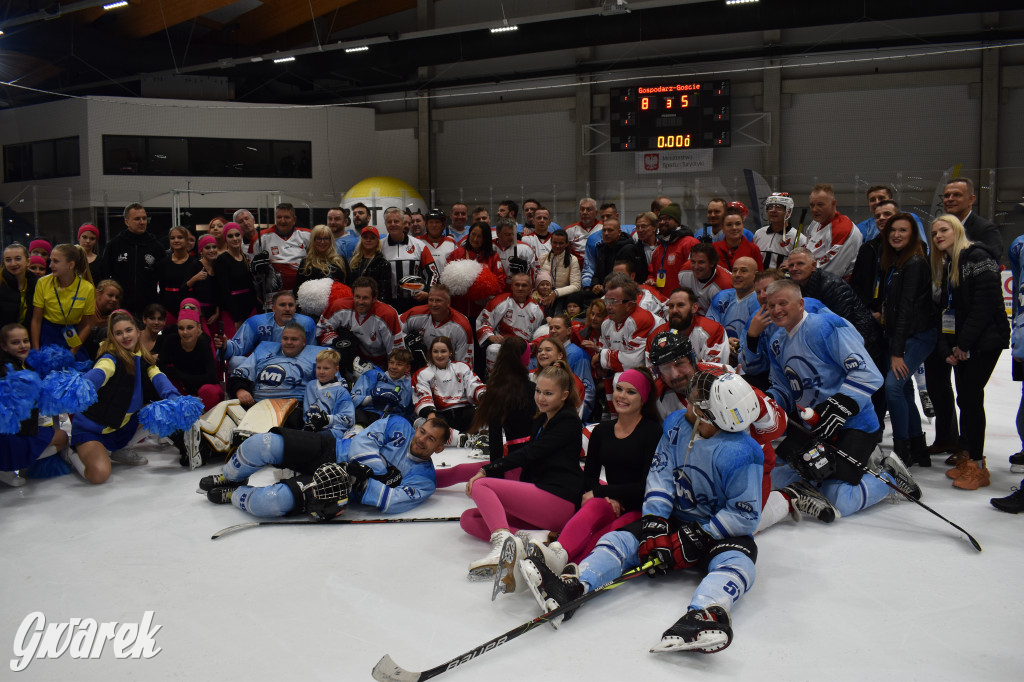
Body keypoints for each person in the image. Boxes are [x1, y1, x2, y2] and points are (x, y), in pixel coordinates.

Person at [521, 368, 763, 652]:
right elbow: (660, 474)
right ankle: (574, 585)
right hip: (675, 518)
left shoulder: (743, 453)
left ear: (711, 414)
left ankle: (706, 614)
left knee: (740, 561)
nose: (687, 401)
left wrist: (702, 534)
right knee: (618, 540)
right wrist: (656, 520)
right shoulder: (676, 425)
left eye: (695, 401)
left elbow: (745, 514)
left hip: (713, 531)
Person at [764, 280, 921, 518]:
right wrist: (765, 402)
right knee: (775, 475)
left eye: (783, 303)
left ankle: (889, 475)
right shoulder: (776, 342)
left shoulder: (825, 326)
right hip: (816, 426)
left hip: (855, 424)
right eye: (771, 305)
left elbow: (868, 372)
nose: (777, 310)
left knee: (840, 499)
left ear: (800, 304)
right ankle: (821, 480)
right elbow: (784, 388)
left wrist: (839, 405)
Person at [462, 361, 584, 579]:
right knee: (468, 518)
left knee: (482, 484)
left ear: (564, 396)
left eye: (548, 393)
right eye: (538, 391)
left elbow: (532, 453)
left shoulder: (568, 421)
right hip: (543, 495)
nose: (540, 398)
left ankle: (503, 547)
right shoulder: (542, 420)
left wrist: (488, 469)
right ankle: (539, 538)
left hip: (559, 499)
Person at [200, 415, 449, 516]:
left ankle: (235, 493)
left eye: (431, 439)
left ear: (439, 448)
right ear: (417, 428)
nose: (422, 440)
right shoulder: (398, 424)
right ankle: (229, 477)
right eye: (422, 432)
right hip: (331, 447)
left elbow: (393, 501)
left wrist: (361, 481)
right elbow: (365, 439)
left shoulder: (425, 480)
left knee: (269, 502)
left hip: (340, 485)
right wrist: (376, 471)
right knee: (260, 444)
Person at [932, 215, 1009, 490]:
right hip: (965, 344)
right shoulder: (950, 263)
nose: (938, 236)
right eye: (934, 233)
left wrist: (962, 345)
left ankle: (977, 464)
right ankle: (972, 458)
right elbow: (945, 311)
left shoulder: (977, 257)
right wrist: (949, 348)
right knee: (968, 399)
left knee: (970, 396)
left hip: (985, 341)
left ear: (957, 230)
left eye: (944, 230)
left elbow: (984, 306)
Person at [557, 369, 661, 562]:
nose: (621, 396)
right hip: (611, 500)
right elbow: (589, 477)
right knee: (592, 505)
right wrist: (604, 496)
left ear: (644, 398)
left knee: (602, 537)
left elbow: (646, 487)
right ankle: (556, 554)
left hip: (639, 509)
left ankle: (570, 566)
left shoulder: (653, 432)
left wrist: (603, 493)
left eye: (631, 392)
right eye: (619, 389)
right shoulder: (602, 431)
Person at [67, 310, 184, 483]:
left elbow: (160, 379)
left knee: (163, 411)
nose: (125, 336)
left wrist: (176, 399)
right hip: (93, 429)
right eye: (119, 333)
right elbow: (100, 372)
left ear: (138, 331)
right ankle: (71, 454)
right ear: (113, 337)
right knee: (99, 475)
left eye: (128, 330)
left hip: (121, 425)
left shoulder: (143, 358)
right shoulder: (110, 358)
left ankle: (120, 448)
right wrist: (83, 386)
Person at [434, 337, 536, 490]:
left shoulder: (497, 389)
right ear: (525, 358)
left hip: (514, 462)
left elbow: (495, 440)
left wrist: (496, 474)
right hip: (531, 462)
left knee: (458, 472)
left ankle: (415, 478)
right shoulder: (534, 389)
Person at [878, 213, 936, 468]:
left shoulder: (915, 263)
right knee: (903, 389)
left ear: (913, 234)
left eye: (903, 230)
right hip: (901, 334)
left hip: (917, 336)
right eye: (893, 230)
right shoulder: (897, 261)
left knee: (892, 387)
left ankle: (901, 450)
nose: (897, 235)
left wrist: (897, 352)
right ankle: (918, 449)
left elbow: (907, 309)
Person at [0, 323, 70, 487]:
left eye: (25, 340)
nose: (23, 345)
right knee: (62, 438)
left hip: (24, 429)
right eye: (15, 342)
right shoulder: (7, 372)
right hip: (14, 435)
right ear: (4, 346)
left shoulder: (25, 365)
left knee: (61, 436)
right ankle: (8, 466)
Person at [226, 322, 321, 413]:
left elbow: (328, 387)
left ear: (304, 342)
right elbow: (240, 374)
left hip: (293, 409)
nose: (289, 342)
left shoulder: (317, 357)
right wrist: (240, 390)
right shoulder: (264, 351)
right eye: (285, 338)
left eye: (294, 339)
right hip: (256, 405)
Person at [216, 290, 316, 369]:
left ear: (295, 308)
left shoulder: (307, 323)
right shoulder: (256, 322)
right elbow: (238, 346)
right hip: (263, 365)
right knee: (235, 362)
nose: (287, 309)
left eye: (291, 305)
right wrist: (225, 345)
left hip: (295, 365)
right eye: (282, 305)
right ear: (273, 308)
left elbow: (312, 352)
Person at [317, 276, 401, 369]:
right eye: (357, 297)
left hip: (378, 364)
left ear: (374, 298)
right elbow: (321, 330)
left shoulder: (387, 315)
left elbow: (396, 352)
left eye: (365, 298)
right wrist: (338, 343)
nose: (360, 302)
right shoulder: (338, 306)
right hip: (347, 361)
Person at [30, 244, 95, 356]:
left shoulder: (87, 288)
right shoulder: (42, 283)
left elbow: (87, 325)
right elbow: (36, 320)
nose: (50, 265)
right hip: (47, 334)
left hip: (72, 335)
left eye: (56, 261)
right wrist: (36, 350)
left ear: (70, 265)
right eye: (50, 260)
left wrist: (73, 351)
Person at [412, 336, 485, 434]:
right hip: (440, 414)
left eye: (443, 351)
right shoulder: (422, 373)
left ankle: (480, 438)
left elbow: (474, 385)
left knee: (484, 412)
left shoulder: (462, 367)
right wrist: (431, 415)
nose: (439, 355)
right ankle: (458, 438)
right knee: (426, 423)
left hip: (464, 411)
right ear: (430, 353)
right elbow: (423, 396)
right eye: (435, 351)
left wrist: (482, 396)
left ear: (450, 352)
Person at [158, 305, 223, 412]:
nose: (185, 332)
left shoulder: (203, 343)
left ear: (198, 328)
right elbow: (161, 367)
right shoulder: (171, 340)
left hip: (203, 388)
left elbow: (212, 377)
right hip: (183, 386)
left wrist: (182, 376)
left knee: (208, 391)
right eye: (181, 328)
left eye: (190, 328)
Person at [101, 203, 164, 315]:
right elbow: (104, 277)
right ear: (127, 222)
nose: (142, 222)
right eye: (137, 219)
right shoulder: (114, 246)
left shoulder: (156, 247)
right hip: (120, 307)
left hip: (148, 309)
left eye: (144, 218)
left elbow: (163, 278)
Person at [477, 272, 545, 373]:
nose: (520, 288)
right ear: (512, 286)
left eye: (524, 285)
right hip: (503, 344)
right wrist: (491, 336)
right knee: (492, 350)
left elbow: (541, 333)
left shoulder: (538, 309)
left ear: (530, 288)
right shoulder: (499, 302)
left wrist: (532, 345)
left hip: (525, 347)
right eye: (517, 285)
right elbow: (483, 322)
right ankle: (492, 380)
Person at [648, 287, 729, 365]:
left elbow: (716, 372)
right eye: (671, 306)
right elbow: (653, 373)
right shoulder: (656, 337)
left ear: (694, 308)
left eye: (680, 305)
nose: (674, 310)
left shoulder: (712, 330)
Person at [445, 221, 507, 319]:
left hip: (483, 312)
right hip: (458, 310)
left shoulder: (493, 257)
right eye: (473, 234)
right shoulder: (456, 254)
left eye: (480, 236)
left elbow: (501, 283)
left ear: (485, 238)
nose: (475, 239)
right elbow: (445, 280)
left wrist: (482, 290)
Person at [381, 207, 437, 313]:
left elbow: (433, 273)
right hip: (387, 303)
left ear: (403, 223)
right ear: (385, 224)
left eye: (396, 221)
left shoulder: (419, 245)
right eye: (389, 222)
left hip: (415, 302)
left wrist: (428, 291)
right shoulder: (379, 246)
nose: (393, 224)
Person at [707, 256, 761, 366]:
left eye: (743, 271)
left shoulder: (761, 301)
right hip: (721, 356)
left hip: (750, 364)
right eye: (735, 270)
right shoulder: (722, 297)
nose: (737, 275)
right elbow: (709, 329)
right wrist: (725, 341)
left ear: (755, 275)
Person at [803, 183, 862, 279]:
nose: (814, 209)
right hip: (812, 281)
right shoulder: (815, 224)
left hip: (834, 288)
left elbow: (831, 272)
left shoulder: (843, 230)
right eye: (812, 205)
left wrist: (800, 269)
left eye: (820, 205)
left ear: (833, 204)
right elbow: (807, 251)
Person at [546, 313, 595, 420]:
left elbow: (587, 391)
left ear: (569, 331)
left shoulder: (576, 354)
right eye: (551, 328)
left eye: (557, 328)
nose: (553, 331)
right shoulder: (549, 352)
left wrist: (575, 418)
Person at [215, 222, 260, 339]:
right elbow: (223, 290)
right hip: (232, 310)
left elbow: (249, 283)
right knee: (235, 345)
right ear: (225, 239)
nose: (234, 238)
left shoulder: (244, 257)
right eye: (230, 236)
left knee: (251, 344)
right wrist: (236, 317)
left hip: (249, 306)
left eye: (237, 235)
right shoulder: (222, 260)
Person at [255, 202, 311, 293]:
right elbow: (253, 268)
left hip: (302, 290)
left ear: (294, 219)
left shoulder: (308, 235)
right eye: (279, 217)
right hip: (273, 292)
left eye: (287, 217)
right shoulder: (260, 238)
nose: (282, 221)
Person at [941, 177, 1002, 261]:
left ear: (971, 200)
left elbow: (991, 263)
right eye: (946, 196)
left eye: (957, 195)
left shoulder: (986, 229)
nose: (950, 199)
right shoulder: (939, 231)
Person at [350, 347, 415, 425]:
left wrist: (396, 405)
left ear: (407, 368)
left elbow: (408, 414)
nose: (393, 367)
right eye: (391, 362)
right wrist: (372, 397)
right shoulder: (372, 375)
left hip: (389, 423)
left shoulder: (410, 387)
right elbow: (352, 399)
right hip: (364, 415)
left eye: (399, 364)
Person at [301, 348, 355, 439]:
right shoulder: (310, 386)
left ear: (336, 370)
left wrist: (327, 419)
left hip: (334, 431)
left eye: (326, 368)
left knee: (316, 439)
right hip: (312, 429)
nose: (321, 371)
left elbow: (349, 420)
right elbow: (306, 414)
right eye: (319, 368)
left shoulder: (341, 391)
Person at [646, 203, 698, 293]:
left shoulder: (690, 243)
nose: (662, 222)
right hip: (662, 302)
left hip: (682, 301)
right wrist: (651, 280)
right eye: (660, 219)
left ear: (677, 221)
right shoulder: (659, 249)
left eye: (667, 218)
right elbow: (652, 273)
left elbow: (697, 274)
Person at [155, 226, 202, 324]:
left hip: (189, 306)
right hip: (168, 307)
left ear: (186, 240)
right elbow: (162, 288)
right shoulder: (163, 263)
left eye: (180, 237)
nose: (176, 240)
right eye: (172, 238)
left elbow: (198, 290)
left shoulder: (195, 263)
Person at [753, 192, 806, 270]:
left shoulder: (799, 238)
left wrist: (793, 264)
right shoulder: (759, 233)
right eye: (770, 207)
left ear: (788, 211)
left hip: (783, 281)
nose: (773, 210)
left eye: (778, 207)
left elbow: (805, 265)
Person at [677, 243, 732, 315]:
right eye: (693, 261)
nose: (696, 267)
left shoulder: (724, 286)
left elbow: (725, 317)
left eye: (701, 262)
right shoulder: (684, 272)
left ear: (712, 263)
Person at [295, 224, 349, 295]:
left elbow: (349, 284)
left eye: (326, 238)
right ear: (313, 241)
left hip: (338, 302)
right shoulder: (306, 262)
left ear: (331, 240)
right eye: (319, 238)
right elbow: (298, 290)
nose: (322, 242)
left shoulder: (341, 260)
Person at [347, 226, 394, 307]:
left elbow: (384, 292)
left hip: (374, 306)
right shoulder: (353, 261)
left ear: (377, 241)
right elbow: (348, 286)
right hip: (354, 304)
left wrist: (379, 308)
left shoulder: (383, 264)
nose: (368, 240)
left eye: (372, 238)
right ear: (361, 240)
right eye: (365, 237)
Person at [538, 229, 581, 315]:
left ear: (566, 244)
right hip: (543, 295)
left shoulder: (572, 260)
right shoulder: (543, 257)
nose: (557, 246)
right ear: (551, 242)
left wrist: (556, 293)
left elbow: (576, 286)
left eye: (561, 243)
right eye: (555, 243)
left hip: (562, 297)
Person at [80, 279, 124, 361]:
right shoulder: (85, 310)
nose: (114, 299)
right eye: (110, 295)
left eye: (117, 297)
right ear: (98, 294)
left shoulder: (118, 317)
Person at [1, 243, 39, 328]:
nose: (13, 264)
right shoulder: (1, 284)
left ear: (28, 262)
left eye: (18, 259)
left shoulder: (36, 285)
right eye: (8, 260)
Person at [187, 235, 220, 330]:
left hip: (214, 314)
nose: (212, 250)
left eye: (214, 247)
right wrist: (194, 279)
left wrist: (217, 312)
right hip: (199, 314)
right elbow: (184, 288)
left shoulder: (218, 267)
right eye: (207, 247)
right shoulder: (195, 265)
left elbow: (219, 293)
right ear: (201, 250)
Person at [493, 217, 537, 285]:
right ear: (498, 233)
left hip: (516, 291)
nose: (511, 237)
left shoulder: (525, 249)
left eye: (513, 234)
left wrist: (525, 271)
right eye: (507, 234)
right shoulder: (490, 247)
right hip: (494, 290)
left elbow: (535, 275)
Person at [418, 208, 457, 275]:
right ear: (426, 224)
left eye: (437, 222)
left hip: (445, 284)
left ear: (443, 225)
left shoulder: (451, 243)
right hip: (424, 284)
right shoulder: (418, 242)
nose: (434, 225)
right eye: (431, 222)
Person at [565, 198, 602, 265]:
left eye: (588, 210)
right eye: (582, 209)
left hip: (599, 267)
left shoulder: (604, 228)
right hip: (576, 269)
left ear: (596, 213)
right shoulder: (569, 230)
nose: (585, 212)